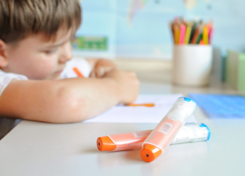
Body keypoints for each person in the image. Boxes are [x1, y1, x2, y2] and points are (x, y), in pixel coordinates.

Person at [0, 0, 140, 123]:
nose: (68, 56)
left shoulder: (57, 68)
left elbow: (98, 62)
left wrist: (107, 72)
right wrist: (117, 86)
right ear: (2, 53)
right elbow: (66, 100)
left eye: (70, 41)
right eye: (51, 50)